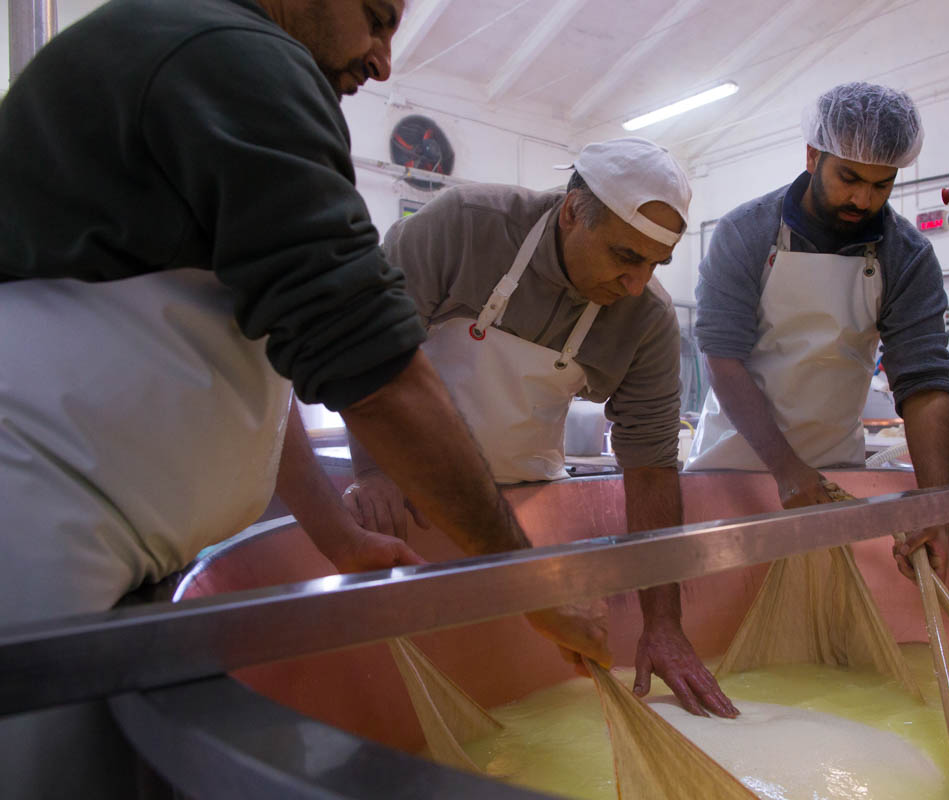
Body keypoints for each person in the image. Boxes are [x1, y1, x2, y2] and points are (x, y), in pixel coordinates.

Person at [0, 0, 604, 795]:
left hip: (105, 542)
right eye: (377, 17)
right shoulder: (229, 55)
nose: (384, 60)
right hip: (36, 529)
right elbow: (379, 373)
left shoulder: (204, 56)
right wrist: (528, 588)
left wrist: (338, 535)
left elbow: (252, 358)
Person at [323, 137, 738, 718]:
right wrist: (372, 469)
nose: (637, 283)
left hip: (525, 510)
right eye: (625, 256)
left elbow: (649, 465)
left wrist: (662, 623)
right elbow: (367, 352)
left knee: (520, 695)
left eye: (654, 264)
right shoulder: (463, 227)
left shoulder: (646, 321)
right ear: (572, 212)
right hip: (407, 502)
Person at [685, 82, 949, 577]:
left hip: (835, 471)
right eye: (849, 177)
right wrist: (785, 469)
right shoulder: (746, 233)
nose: (863, 198)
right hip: (735, 467)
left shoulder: (907, 255)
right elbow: (722, 357)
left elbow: (925, 384)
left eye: (882, 185)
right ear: (813, 156)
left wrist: (937, 506)